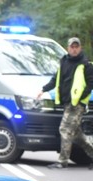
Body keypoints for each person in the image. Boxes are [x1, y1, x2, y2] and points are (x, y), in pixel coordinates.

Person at [38, 37, 93, 169]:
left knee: (65, 129)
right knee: (77, 136)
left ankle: (62, 161)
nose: (74, 49)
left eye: (76, 47)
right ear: (68, 48)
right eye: (72, 47)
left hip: (77, 105)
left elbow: (90, 84)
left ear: (80, 48)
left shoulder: (85, 64)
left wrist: (81, 99)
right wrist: (43, 89)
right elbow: (55, 79)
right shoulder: (64, 62)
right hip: (67, 103)